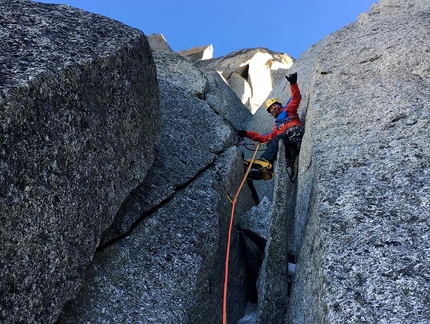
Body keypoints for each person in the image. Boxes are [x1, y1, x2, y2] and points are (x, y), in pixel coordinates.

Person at [235, 72, 304, 180]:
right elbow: (262, 138)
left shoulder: (287, 111)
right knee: (271, 142)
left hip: (294, 132)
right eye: (271, 109)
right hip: (288, 141)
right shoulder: (276, 128)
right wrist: (245, 133)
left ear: (280, 105)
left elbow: (296, 98)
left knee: (274, 141)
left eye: (275, 105)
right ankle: (265, 172)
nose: (273, 108)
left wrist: (293, 84)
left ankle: (265, 162)